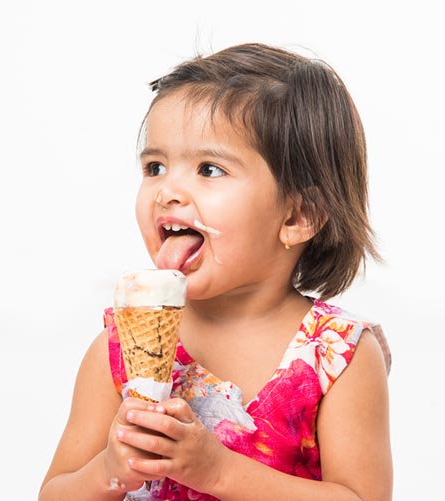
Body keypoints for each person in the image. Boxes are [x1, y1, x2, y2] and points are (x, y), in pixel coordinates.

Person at [39, 42, 392, 500]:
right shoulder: (120, 352)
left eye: (209, 169)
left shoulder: (339, 357)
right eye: (155, 166)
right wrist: (109, 470)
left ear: (297, 217)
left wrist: (218, 472)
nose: (167, 190)